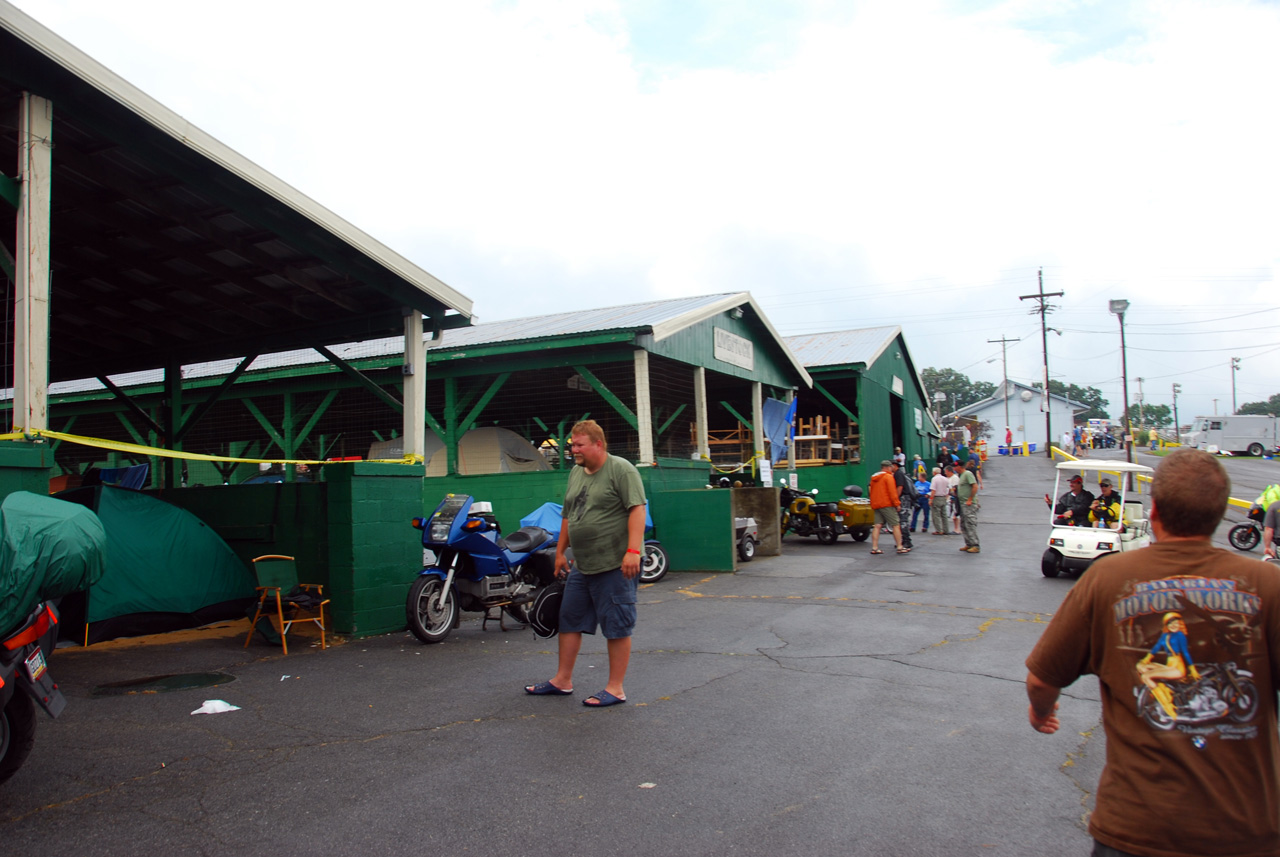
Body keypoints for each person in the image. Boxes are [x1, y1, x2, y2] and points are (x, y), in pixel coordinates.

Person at [1025, 449, 1280, 857]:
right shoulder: (1268, 584)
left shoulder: (1107, 578)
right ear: (1220, 514)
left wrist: (1041, 712)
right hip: (1246, 829)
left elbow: (1042, 678)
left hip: (1135, 828)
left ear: (1155, 510)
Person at [525, 420, 646, 708]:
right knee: (569, 621)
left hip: (616, 563)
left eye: (579, 445)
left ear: (598, 444)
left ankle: (615, 688)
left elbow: (637, 510)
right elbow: (568, 514)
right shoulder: (576, 473)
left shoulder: (621, 469)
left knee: (617, 625)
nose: (573, 451)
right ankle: (562, 681)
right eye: (572, 446)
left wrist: (633, 551)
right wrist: (560, 552)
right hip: (583, 563)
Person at [868, 460, 907, 555]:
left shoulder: (874, 478)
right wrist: (897, 504)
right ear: (888, 467)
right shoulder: (888, 477)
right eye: (890, 467)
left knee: (877, 526)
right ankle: (899, 546)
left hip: (876, 504)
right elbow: (892, 492)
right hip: (887, 504)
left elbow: (870, 491)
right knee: (895, 524)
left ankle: (874, 547)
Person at [953, 459, 979, 553]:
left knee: (970, 524)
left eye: (955, 466)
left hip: (968, 504)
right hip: (962, 503)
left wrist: (970, 499)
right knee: (964, 524)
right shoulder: (961, 475)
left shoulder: (967, 474)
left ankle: (975, 545)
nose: (954, 468)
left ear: (959, 466)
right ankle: (968, 543)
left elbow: (975, 486)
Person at [892, 461, 915, 549]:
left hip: (903, 498)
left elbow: (900, 487)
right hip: (905, 498)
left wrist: (896, 499)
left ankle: (907, 541)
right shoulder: (899, 473)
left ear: (894, 466)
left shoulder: (898, 474)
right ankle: (903, 540)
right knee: (901, 520)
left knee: (903, 520)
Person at [929, 466, 951, 535]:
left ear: (934, 472)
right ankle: (946, 529)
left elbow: (933, 490)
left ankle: (939, 530)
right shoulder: (945, 479)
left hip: (937, 497)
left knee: (936, 514)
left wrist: (931, 499)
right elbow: (949, 488)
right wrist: (947, 495)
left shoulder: (934, 479)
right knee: (944, 515)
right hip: (943, 497)